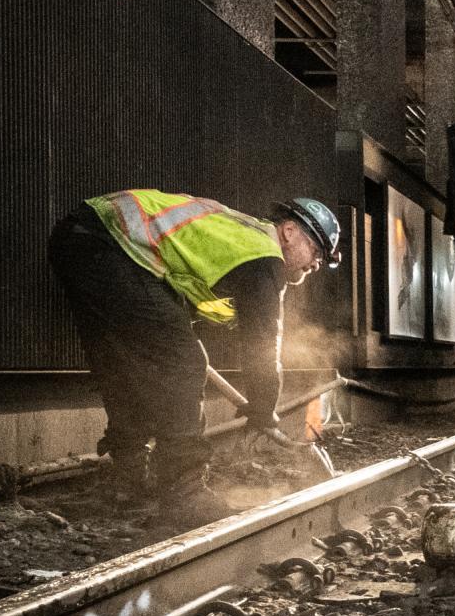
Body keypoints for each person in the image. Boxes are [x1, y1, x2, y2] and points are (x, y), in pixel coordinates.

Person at [47, 189, 341, 505]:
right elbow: (264, 343)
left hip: (80, 239)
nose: (316, 263)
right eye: (315, 249)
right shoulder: (264, 254)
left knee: (125, 368)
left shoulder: (237, 239)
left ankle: (127, 482)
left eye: (322, 258)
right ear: (289, 231)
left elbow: (176, 315)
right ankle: (184, 494)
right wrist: (263, 408)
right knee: (184, 363)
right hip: (112, 244)